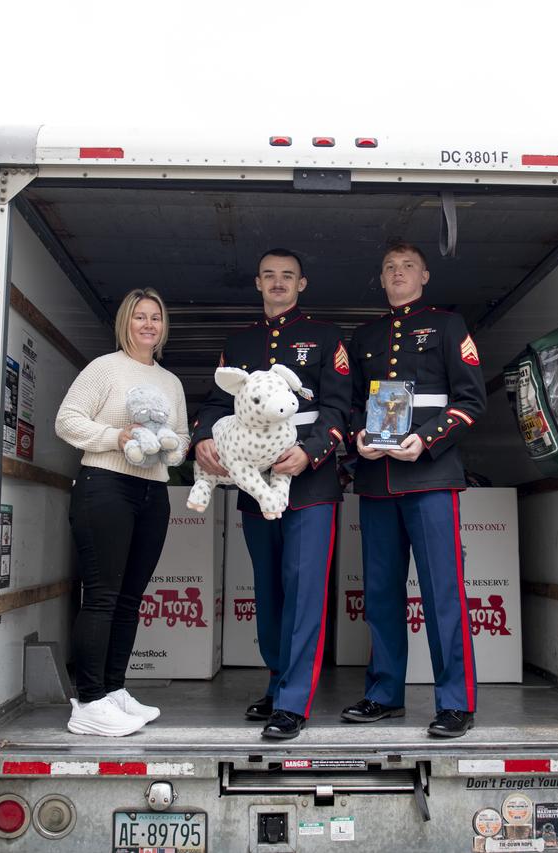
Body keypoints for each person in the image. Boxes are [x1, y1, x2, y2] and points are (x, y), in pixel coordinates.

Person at [192, 248, 351, 740]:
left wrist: (310, 452)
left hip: (311, 481)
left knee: (304, 592)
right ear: (258, 284)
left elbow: (340, 407)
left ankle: (293, 701)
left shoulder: (326, 338)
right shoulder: (239, 341)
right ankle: (279, 681)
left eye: (288, 276)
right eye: (269, 277)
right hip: (254, 484)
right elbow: (217, 402)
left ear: (302, 284)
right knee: (269, 591)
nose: (278, 283)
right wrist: (202, 439)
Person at [343, 242, 486, 737]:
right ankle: (385, 694)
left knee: (441, 591)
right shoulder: (364, 336)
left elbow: (471, 402)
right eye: (389, 268)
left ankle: (455, 702)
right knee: (380, 594)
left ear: (424, 274)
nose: (398, 274)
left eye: (407, 266)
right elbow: (354, 406)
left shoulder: (448, 326)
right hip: (377, 480)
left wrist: (424, 440)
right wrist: (358, 437)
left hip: (429, 476)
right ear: (380, 280)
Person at [55, 288, 189, 737]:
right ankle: (88, 701)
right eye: (139, 317)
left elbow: (184, 437)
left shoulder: (171, 382)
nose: (148, 325)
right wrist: (118, 437)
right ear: (125, 324)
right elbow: (67, 420)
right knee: (103, 596)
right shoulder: (104, 368)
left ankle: (113, 690)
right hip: (105, 485)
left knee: (131, 599)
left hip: (152, 490)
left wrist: (171, 446)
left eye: (156, 317)